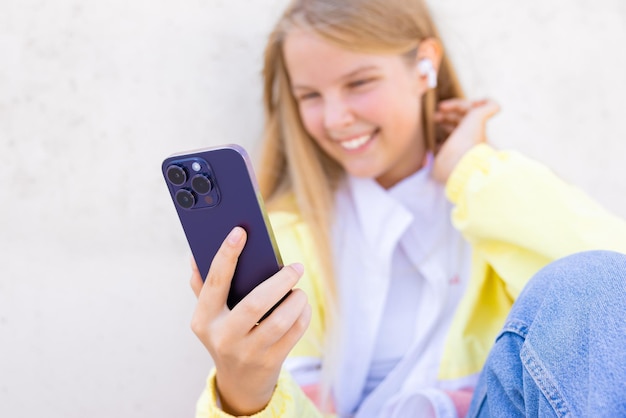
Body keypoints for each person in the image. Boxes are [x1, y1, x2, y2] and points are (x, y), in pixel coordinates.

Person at [187, 0, 626, 416]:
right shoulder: (285, 239)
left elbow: (609, 298)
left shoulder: (492, 200)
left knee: (591, 279)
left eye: (358, 83)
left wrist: (473, 173)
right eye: (310, 96)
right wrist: (246, 396)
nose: (337, 117)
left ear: (424, 66)